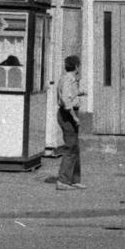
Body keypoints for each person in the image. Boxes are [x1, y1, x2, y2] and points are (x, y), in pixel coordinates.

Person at [56, 54, 85, 190]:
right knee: (70, 147)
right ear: (76, 67)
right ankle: (63, 180)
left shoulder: (69, 79)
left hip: (68, 113)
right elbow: (67, 103)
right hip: (68, 115)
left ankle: (74, 179)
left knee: (75, 147)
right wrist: (75, 117)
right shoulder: (68, 80)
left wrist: (79, 93)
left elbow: (69, 95)